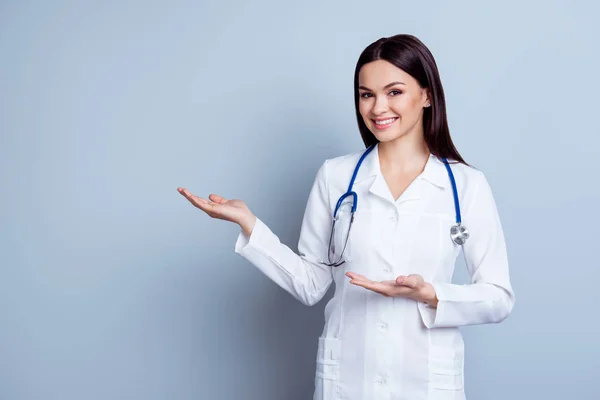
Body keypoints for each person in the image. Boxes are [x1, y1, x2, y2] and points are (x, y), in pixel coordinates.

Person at [178, 34, 515, 400]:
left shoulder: (466, 185)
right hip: (350, 380)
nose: (377, 107)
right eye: (366, 94)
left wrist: (431, 294)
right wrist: (250, 225)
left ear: (427, 95)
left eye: (394, 92)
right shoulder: (336, 177)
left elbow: (498, 298)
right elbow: (311, 283)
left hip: (428, 382)